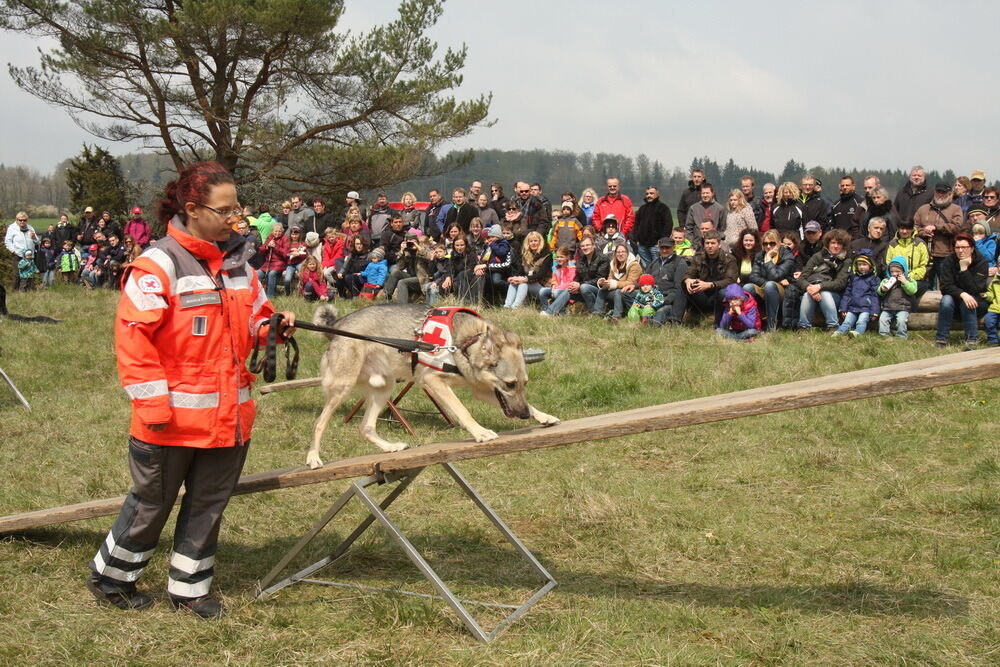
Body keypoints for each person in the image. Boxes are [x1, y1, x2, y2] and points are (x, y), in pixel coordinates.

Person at [86, 161, 295, 618]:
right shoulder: (156, 265)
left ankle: (190, 590)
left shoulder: (242, 263)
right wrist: (154, 405)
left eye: (237, 207)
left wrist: (270, 328)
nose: (235, 217)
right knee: (151, 506)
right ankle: (111, 579)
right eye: (225, 209)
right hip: (169, 420)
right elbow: (133, 340)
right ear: (194, 209)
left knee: (208, 507)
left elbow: (257, 317)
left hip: (229, 417)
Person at [935, 233, 989, 349]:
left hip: (977, 303)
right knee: (946, 300)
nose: (960, 251)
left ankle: (971, 340)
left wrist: (964, 269)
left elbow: (976, 288)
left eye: (964, 247)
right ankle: (941, 339)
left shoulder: (982, 263)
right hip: (955, 300)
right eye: (957, 247)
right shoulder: (949, 261)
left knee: (967, 302)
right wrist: (962, 294)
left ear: (972, 248)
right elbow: (945, 286)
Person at [915, 182, 967, 289]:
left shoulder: (956, 209)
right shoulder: (923, 209)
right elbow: (914, 228)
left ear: (949, 194)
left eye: (943, 192)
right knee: (925, 285)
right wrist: (924, 232)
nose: (940, 194)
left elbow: (957, 227)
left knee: (946, 285)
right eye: (938, 191)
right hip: (924, 255)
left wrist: (936, 227)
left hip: (945, 255)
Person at [797, 229, 852, 330]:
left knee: (824, 293)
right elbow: (802, 278)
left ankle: (833, 326)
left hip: (836, 295)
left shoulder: (846, 261)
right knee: (807, 294)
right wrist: (809, 287)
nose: (835, 246)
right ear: (828, 243)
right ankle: (803, 327)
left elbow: (840, 283)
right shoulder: (818, 256)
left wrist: (820, 287)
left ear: (843, 245)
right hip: (813, 290)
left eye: (839, 243)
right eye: (833, 243)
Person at [745, 229, 795, 332]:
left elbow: (776, 276)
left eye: (772, 243)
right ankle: (752, 324)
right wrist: (767, 282)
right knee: (747, 287)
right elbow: (753, 276)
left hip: (784, 290)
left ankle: (771, 326)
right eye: (765, 244)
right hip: (765, 286)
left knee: (770, 286)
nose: (768, 247)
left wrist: (768, 260)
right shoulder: (759, 255)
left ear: (778, 243)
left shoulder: (787, 255)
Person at [683, 230, 737, 324]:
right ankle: (683, 317)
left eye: (713, 243)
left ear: (719, 244)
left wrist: (710, 285)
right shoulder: (698, 257)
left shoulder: (729, 259)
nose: (710, 246)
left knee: (724, 291)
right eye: (707, 243)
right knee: (684, 283)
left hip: (718, 295)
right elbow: (689, 273)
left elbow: (731, 280)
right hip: (702, 294)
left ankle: (718, 323)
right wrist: (687, 280)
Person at [832, 250, 880, 337]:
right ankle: (840, 332)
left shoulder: (874, 279)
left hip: (866, 308)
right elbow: (847, 294)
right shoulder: (853, 278)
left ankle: (858, 332)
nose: (861, 267)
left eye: (864, 264)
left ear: (870, 265)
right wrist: (843, 308)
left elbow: (875, 297)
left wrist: (874, 312)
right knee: (847, 321)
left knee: (861, 321)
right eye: (859, 264)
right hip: (852, 307)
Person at [645, 236, 688, 326]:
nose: (664, 250)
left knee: (660, 315)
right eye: (662, 248)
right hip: (651, 296)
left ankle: (656, 321)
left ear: (673, 248)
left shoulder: (680, 263)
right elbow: (645, 280)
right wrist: (634, 285)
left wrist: (664, 301)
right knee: (626, 294)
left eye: (667, 248)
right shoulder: (655, 262)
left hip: (668, 300)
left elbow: (678, 288)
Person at [594, 242, 641, 321]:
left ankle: (616, 316)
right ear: (615, 254)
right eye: (618, 252)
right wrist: (605, 283)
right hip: (618, 291)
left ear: (627, 253)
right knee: (602, 290)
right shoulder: (613, 264)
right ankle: (597, 313)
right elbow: (610, 278)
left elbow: (631, 282)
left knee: (618, 292)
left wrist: (614, 284)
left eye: (623, 252)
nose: (620, 254)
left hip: (631, 292)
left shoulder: (634, 265)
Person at [883, 218, 929, 297]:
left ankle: (908, 309)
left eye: (908, 228)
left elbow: (925, 265)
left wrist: (908, 276)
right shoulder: (892, 244)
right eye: (902, 228)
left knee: (911, 290)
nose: (904, 231)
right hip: (894, 278)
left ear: (912, 229)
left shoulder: (920, 243)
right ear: (898, 229)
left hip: (915, 279)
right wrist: (896, 276)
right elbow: (886, 264)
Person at [504, 231, 551, 308]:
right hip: (529, 283)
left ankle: (516, 307)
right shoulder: (526, 255)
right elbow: (520, 271)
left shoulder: (547, 256)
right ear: (528, 243)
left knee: (523, 283)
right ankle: (507, 306)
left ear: (540, 242)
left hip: (543, 287)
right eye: (531, 241)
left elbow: (541, 274)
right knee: (514, 282)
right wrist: (514, 277)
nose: (533, 243)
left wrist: (525, 279)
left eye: (535, 241)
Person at [877, 257, 918, 339]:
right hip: (888, 307)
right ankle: (884, 335)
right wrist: (882, 289)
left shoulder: (909, 280)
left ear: (904, 271)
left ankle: (901, 336)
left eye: (897, 271)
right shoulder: (886, 280)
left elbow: (912, 291)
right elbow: (879, 291)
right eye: (892, 271)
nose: (894, 274)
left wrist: (905, 282)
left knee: (901, 321)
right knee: (882, 320)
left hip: (903, 307)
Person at [632, 187, 673, 267]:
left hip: (656, 245)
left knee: (658, 266)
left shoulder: (663, 208)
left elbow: (668, 225)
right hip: (642, 245)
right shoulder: (642, 209)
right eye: (647, 193)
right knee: (647, 267)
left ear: (657, 195)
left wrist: (663, 240)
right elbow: (636, 224)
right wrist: (637, 239)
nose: (649, 195)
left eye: (651, 193)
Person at [572, 235, 609, 314]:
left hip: (599, 290)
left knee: (584, 287)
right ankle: (551, 311)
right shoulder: (580, 260)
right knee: (568, 290)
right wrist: (574, 284)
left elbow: (599, 280)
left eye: (587, 245)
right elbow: (578, 277)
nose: (585, 247)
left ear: (593, 245)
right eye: (582, 246)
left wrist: (580, 284)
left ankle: (595, 313)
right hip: (583, 287)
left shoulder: (603, 258)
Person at [538, 246, 577, 316]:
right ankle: (545, 309)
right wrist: (553, 286)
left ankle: (552, 312)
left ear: (567, 257)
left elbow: (570, 282)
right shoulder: (556, 267)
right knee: (542, 291)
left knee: (557, 292)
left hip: (567, 291)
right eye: (557, 257)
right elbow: (554, 279)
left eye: (561, 257)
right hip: (556, 289)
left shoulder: (571, 267)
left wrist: (557, 289)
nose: (559, 259)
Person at [5, 212, 38, 290]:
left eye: (24, 220)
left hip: (29, 256)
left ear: (27, 220)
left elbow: (37, 242)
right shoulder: (12, 228)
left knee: (30, 274)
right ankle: (15, 291)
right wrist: (13, 251)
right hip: (18, 255)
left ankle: (29, 291)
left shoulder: (30, 227)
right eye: (20, 220)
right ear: (16, 220)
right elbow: (8, 241)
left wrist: (34, 238)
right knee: (17, 274)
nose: (22, 222)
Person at [257, 222, 289, 298]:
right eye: (275, 231)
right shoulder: (270, 237)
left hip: (279, 262)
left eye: (279, 231)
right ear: (272, 231)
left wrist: (276, 247)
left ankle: (270, 295)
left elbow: (286, 253)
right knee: (257, 273)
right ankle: (258, 294)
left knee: (272, 273)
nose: (277, 233)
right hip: (268, 263)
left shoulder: (285, 239)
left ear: (282, 232)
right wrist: (267, 246)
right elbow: (261, 250)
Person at [985, 272, 1000, 346]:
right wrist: (986, 295)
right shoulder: (995, 281)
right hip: (995, 307)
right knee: (989, 320)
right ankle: (993, 339)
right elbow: (991, 293)